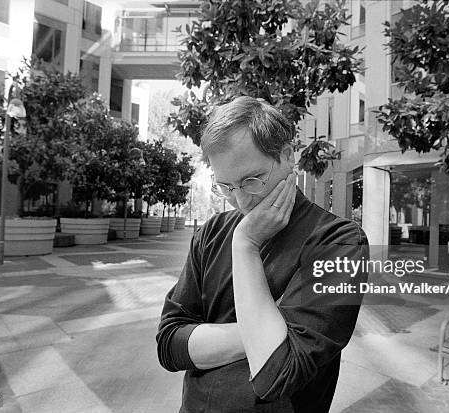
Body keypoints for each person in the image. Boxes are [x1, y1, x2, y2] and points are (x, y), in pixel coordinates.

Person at [156, 96, 369, 413]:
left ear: (286, 156)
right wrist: (269, 330)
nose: (241, 201)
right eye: (226, 186)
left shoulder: (339, 242)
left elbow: (277, 373)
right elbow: (170, 345)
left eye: (251, 180)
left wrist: (245, 245)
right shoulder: (212, 232)